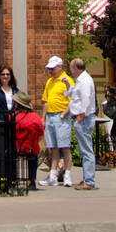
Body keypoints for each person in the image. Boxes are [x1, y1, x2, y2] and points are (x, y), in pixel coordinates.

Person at [41, 56, 74, 187]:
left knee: (65, 147)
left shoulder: (67, 81)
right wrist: (43, 118)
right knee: (53, 147)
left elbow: (73, 100)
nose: (51, 71)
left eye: (53, 68)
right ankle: (53, 175)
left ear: (60, 67)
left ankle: (67, 175)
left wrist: (64, 114)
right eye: (49, 68)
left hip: (61, 117)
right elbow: (46, 101)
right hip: (50, 117)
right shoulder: (50, 82)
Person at [69, 57, 97, 189]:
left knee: (86, 150)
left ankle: (89, 181)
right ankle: (87, 178)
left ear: (76, 68)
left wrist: (81, 115)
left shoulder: (84, 80)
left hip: (84, 118)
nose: (71, 72)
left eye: (71, 69)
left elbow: (85, 98)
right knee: (84, 150)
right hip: (83, 117)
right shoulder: (82, 80)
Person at [13, 90, 45, 190]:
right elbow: (40, 134)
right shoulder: (35, 117)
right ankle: (31, 181)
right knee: (33, 155)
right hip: (31, 149)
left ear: (17, 104)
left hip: (16, 149)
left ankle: (13, 180)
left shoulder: (12, 117)